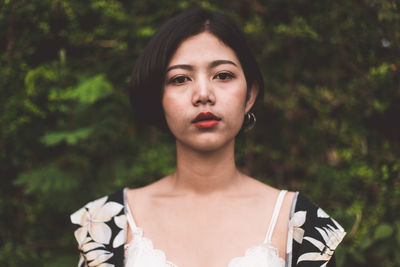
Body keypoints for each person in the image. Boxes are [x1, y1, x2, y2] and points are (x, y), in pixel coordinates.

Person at [70, 9, 346, 267]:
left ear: (249, 95)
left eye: (223, 75)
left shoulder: (301, 223)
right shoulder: (104, 222)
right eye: (180, 79)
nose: (203, 94)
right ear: (159, 99)